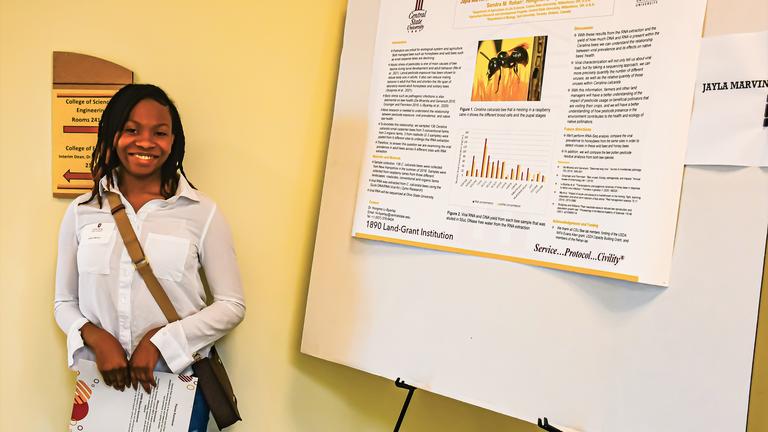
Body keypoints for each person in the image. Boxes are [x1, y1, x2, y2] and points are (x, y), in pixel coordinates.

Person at [54, 84, 245, 431]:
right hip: (102, 389)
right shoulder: (82, 211)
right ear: (113, 136)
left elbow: (232, 305)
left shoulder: (202, 212)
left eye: (159, 132)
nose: (145, 141)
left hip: (176, 391)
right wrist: (96, 337)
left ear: (173, 141)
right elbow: (64, 302)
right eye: (131, 130)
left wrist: (162, 342)